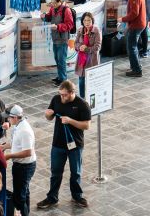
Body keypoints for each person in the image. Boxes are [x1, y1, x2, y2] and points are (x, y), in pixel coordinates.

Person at [37, 80, 91, 210]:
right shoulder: (56, 99)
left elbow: (86, 125)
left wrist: (70, 121)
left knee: (75, 172)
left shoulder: (82, 105)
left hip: (75, 145)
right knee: (55, 172)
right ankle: (52, 198)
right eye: (60, 94)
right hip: (58, 144)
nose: (62, 97)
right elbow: (49, 117)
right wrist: (47, 115)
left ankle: (77, 196)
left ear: (72, 93)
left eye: (65, 95)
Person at [1, 105, 36, 216]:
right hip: (20, 165)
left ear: (15, 117)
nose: (7, 120)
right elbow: (15, 143)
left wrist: (9, 156)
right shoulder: (18, 126)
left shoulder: (25, 131)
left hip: (25, 167)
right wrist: (2, 147)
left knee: (19, 198)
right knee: (24, 192)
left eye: (8, 118)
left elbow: (27, 152)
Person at [40, 0, 74, 86]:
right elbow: (49, 17)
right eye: (52, 3)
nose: (53, 5)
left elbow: (70, 25)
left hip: (62, 39)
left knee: (61, 60)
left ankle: (63, 80)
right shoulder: (53, 8)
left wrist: (58, 27)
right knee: (57, 59)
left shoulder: (66, 10)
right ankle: (60, 77)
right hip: (55, 38)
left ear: (60, 2)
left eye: (55, 3)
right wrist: (44, 17)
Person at [118, 0, 146, 77]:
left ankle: (137, 70)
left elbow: (134, 13)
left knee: (131, 47)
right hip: (140, 24)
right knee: (133, 46)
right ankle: (136, 65)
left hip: (136, 25)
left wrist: (123, 19)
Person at [74, 12, 102, 98]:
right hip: (82, 59)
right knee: (81, 80)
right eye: (85, 20)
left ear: (92, 21)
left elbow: (97, 47)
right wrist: (80, 47)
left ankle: (93, 98)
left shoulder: (96, 31)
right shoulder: (80, 30)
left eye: (89, 20)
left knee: (92, 80)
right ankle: (82, 98)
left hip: (91, 59)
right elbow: (76, 43)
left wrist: (86, 49)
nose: (87, 22)